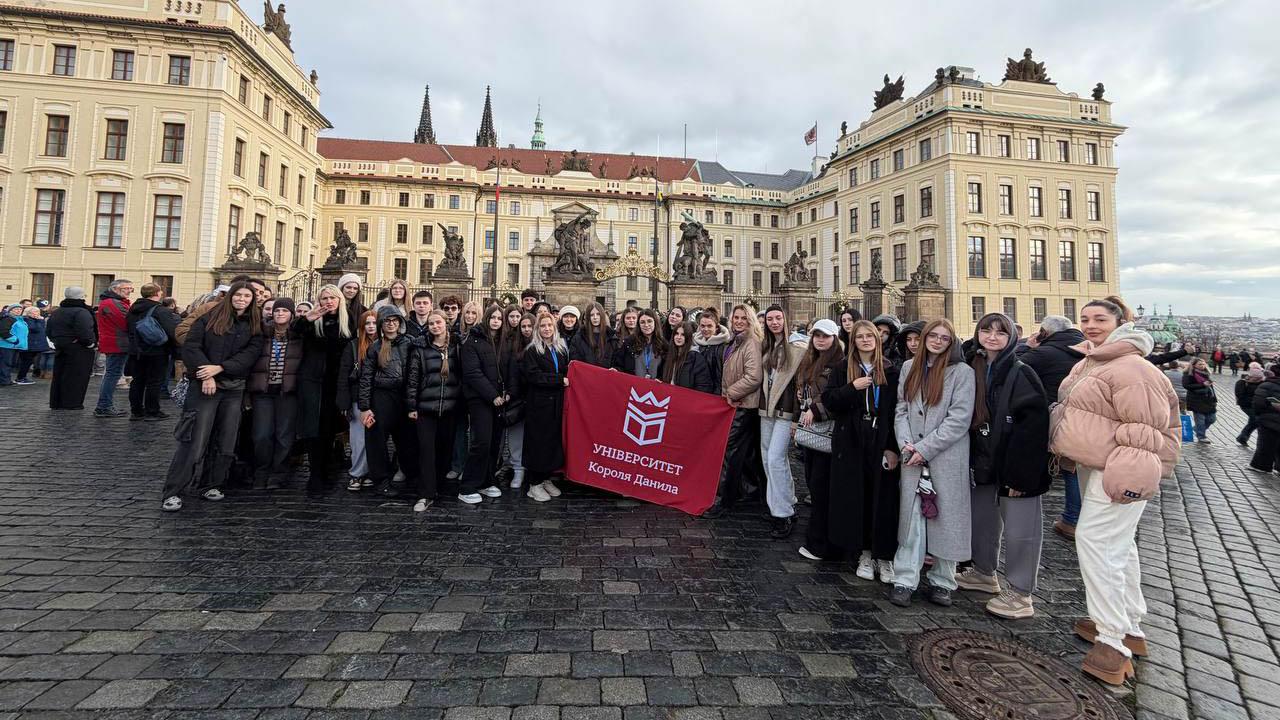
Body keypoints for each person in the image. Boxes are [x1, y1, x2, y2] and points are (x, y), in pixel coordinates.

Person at [1051, 296, 1180, 686]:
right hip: (1098, 464)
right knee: (1120, 547)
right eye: (1086, 319)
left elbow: (1143, 432)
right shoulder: (1097, 359)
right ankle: (1130, 626)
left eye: (1100, 319)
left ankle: (1112, 642)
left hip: (1118, 470)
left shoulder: (1131, 368)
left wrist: (1128, 480)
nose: (1090, 325)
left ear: (1122, 321)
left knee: (1096, 542)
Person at [957, 313, 1051, 619]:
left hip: (1015, 462)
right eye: (986, 330)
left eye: (1000, 332)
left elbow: (1034, 426)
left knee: (1021, 531)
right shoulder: (975, 365)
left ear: (1010, 337)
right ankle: (984, 573)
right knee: (982, 520)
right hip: (984, 457)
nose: (992, 337)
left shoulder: (1021, 372)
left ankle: (1021, 593)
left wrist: (1022, 472)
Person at [888, 319, 974, 608]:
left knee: (946, 517)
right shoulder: (909, 367)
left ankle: (943, 580)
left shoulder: (962, 372)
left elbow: (959, 419)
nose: (937, 341)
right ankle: (904, 578)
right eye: (933, 336)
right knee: (912, 518)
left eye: (944, 338)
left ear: (952, 343)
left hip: (945, 454)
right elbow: (901, 408)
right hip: (912, 452)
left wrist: (925, 448)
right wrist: (905, 444)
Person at [160, 282, 264, 511]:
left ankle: (212, 483)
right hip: (205, 385)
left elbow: (250, 354)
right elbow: (192, 346)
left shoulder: (255, 322)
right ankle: (174, 490)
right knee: (194, 439)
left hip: (233, 386)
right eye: (239, 295)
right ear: (230, 297)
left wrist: (220, 368)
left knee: (226, 439)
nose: (242, 299)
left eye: (247, 296)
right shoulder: (209, 317)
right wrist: (206, 373)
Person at [820, 319, 901, 579]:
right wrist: (851, 389)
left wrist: (892, 447)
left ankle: (884, 554)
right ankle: (863, 552)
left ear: (878, 340)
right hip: (852, 439)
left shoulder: (889, 370)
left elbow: (895, 412)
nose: (865, 340)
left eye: (870, 336)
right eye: (860, 336)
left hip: (880, 438)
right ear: (853, 340)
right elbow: (830, 400)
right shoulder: (843, 368)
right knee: (857, 498)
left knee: (883, 499)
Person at [1017, 315, 1087, 541]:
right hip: (1085, 417)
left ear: (1044, 333)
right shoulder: (1089, 350)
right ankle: (1078, 519)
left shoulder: (1043, 352)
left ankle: (1073, 520)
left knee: (1067, 468)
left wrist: (1025, 346)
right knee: (1077, 467)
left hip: (1052, 415)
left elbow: (1014, 365)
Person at [793, 319, 847, 560]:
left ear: (835, 338)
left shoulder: (840, 364)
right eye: (816, 336)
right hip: (812, 432)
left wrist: (816, 409)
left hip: (827, 432)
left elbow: (837, 398)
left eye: (825, 336)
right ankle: (819, 539)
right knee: (814, 484)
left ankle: (822, 544)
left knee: (822, 487)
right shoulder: (810, 361)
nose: (820, 340)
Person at [704, 304, 763, 519]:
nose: (738, 321)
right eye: (736, 317)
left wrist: (731, 392)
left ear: (750, 320)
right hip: (737, 403)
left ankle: (722, 500)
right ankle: (747, 492)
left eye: (743, 318)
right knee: (743, 454)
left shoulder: (751, 343)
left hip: (743, 405)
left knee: (728, 453)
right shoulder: (736, 341)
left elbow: (754, 377)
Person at [295, 285, 353, 497]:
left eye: (332, 298)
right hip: (312, 381)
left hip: (336, 383)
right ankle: (315, 474)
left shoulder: (348, 323)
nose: (329, 301)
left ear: (339, 300)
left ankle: (327, 469)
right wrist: (306, 318)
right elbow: (293, 333)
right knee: (313, 429)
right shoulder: (312, 322)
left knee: (329, 429)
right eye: (324, 298)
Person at [359, 307, 419, 496]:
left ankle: (412, 475)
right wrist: (365, 407)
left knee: (408, 440)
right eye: (387, 321)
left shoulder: (410, 343)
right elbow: (366, 378)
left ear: (400, 323)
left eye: (395, 320)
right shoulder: (375, 347)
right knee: (377, 441)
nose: (391, 323)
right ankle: (381, 480)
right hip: (382, 397)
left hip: (404, 396)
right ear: (381, 324)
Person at [407, 310, 461, 511]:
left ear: (445, 323)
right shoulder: (420, 347)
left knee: (444, 450)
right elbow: (413, 379)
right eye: (431, 324)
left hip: (450, 407)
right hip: (426, 408)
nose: (435, 326)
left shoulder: (457, 346)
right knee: (426, 450)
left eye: (438, 322)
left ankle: (439, 486)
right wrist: (411, 406)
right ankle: (426, 493)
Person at [758, 305, 803, 538]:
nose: (774, 322)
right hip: (766, 410)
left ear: (786, 319)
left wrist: (796, 416)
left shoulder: (797, 347)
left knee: (776, 459)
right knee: (769, 459)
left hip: (785, 410)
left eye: (778, 318)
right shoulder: (766, 346)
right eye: (770, 319)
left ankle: (783, 513)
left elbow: (800, 384)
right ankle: (783, 502)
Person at [248, 298, 303, 490]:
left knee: (284, 435)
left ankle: (279, 473)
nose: (280, 314)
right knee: (262, 434)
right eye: (277, 310)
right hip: (263, 391)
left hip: (287, 392)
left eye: (285, 311)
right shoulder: (261, 333)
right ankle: (261, 470)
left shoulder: (298, 335)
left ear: (292, 314)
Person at [458, 304, 508, 504]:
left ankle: (487, 480)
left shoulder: (503, 341)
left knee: (494, 443)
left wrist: (508, 392)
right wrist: (492, 395)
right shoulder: (473, 340)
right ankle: (468, 485)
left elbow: (509, 367)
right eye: (493, 317)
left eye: (499, 318)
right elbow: (472, 373)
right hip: (480, 399)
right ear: (486, 319)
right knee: (481, 442)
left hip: (500, 399)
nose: (496, 321)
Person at [520, 312, 569, 502]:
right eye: (543, 326)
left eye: (549, 325)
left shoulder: (560, 348)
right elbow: (533, 376)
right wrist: (559, 380)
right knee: (538, 443)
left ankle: (546, 477)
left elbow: (567, 369)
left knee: (552, 442)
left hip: (556, 403)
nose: (547, 329)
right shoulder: (532, 350)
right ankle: (534, 483)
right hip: (539, 404)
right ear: (537, 329)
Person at [124, 284, 178, 420]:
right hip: (157, 351)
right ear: (157, 294)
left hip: (136, 350)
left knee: (137, 381)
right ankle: (152, 411)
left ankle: (136, 411)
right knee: (154, 382)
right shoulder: (161, 310)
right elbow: (172, 332)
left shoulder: (133, 309)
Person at [338, 310, 378, 492]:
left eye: (374, 323)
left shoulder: (384, 344)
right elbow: (344, 375)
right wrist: (344, 401)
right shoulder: (353, 346)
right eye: (367, 323)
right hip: (357, 398)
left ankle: (370, 472)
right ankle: (357, 474)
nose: (371, 326)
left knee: (375, 438)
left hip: (379, 398)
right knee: (358, 439)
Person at [498, 312, 535, 489]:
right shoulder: (514, 346)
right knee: (516, 436)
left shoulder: (543, 345)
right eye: (524, 326)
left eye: (530, 326)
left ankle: (535, 471)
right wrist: (511, 392)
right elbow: (511, 372)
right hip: (518, 397)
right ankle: (518, 469)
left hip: (538, 397)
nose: (527, 329)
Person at [46, 288, 97, 409]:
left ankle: (56, 402)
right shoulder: (81, 312)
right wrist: (90, 343)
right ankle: (72, 402)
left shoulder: (57, 311)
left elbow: (49, 330)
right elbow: (85, 331)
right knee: (77, 376)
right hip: (79, 347)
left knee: (60, 375)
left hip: (61, 345)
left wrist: (57, 340)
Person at [93, 279, 134, 417]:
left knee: (112, 374)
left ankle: (104, 405)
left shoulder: (112, 302)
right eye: (126, 288)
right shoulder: (112, 303)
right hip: (116, 343)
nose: (129, 291)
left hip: (116, 342)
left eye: (130, 289)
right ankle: (104, 406)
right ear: (115, 289)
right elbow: (126, 322)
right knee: (112, 375)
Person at [661, 321, 714, 393]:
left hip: (688, 401)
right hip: (669, 399)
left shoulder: (696, 358)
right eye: (676, 334)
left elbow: (703, 386)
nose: (679, 337)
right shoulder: (669, 356)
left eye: (683, 335)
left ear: (688, 337)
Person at [613, 309, 666, 379]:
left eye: (649, 321)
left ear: (655, 322)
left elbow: (666, 370)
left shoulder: (664, 344)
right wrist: (616, 370)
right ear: (639, 325)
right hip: (633, 385)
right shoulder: (629, 342)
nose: (646, 325)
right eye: (642, 322)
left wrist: (660, 379)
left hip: (656, 387)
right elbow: (619, 364)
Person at [1250, 365, 1280, 474]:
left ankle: (1261, 466)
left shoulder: (1266, 385)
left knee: (1266, 445)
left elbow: (1258, 404)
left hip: (1268, 420)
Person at [569, 302, 616, 369]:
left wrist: (615, 368)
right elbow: (575, 361)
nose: (595, 317)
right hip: (586, 376)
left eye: (598, 314)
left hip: (607, 376)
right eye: (591, 315)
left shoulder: (612, 337)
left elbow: (617, 361)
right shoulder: (578, 338)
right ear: (587, 317)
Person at [693, 310, 731, 391]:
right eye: (702, 326)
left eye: (709, 326)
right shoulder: (694, 344)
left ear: (716, 327)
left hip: (716, 393)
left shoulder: (724, 346)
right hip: (698, 391)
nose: (705, 329)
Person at [1183, 357, 1217, 443]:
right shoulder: (1189, 374)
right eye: (1200, 364)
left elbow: (1210, 388)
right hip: (1196, 400)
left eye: (1203, 364)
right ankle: (1201, 436)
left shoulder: (1206, 373)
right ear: (1194, 365)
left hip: (1208, 399)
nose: (1202, 366)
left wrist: (1214, 398)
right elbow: (1186, 385)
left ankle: (1197, 429)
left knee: (1212, 419)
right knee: (1200, 420)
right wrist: (1202, 384)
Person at [13, 307, 48, 385]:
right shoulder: (27, 319)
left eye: (38, 312)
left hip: (33, 345)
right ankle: (20, 378)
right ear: (28, 313)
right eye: (34, 312)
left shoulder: (34, 320)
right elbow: (36, 328)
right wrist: (40, 320)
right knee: (26, 362)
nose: (37, 314)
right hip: (29, 345)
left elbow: (41, 329)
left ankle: (22, 377)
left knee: (28, 361)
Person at [1236, 363, 1265, 446]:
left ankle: (1242, 438)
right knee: (1256, 420)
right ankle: (1243, 437)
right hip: (1246, 405)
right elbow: (1240, 395)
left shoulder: (1262, 382)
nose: (1258, 379)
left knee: (1253, 421)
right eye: (1256, 378)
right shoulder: (1242, 382)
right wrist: (1253, 399)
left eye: (1260, 378)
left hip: (1257, 405)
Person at [0, 305, 29, 387]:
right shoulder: (8, 319)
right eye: (16, 309)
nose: (18, 311)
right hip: (6, 345)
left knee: (9, 364)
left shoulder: (20, 319)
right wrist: (15, 340)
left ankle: (6, 379)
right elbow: (3, 331)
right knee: (5, 364)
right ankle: (4, 381)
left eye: (20, 309)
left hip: (14, 346)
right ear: (10, 310)